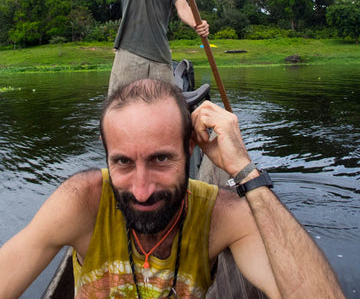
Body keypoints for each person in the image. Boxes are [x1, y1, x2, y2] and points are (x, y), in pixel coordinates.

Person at [0, 79, 344, 299]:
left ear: (190, 149)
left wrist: (245, 171)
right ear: (106, 158)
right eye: (122, 162)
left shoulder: (221, 216)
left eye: (161, 159)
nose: (142, 190)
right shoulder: (81, 202)